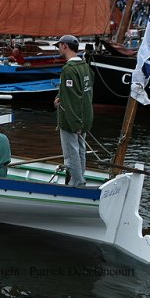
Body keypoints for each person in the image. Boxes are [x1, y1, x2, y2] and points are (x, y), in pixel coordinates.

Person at [54, 34, 93, 187]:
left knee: (71, 154)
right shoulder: (85, 66)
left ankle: (77, 183)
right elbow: (84, 92)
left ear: (64, 45)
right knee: (81, 150)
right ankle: (80, 178)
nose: (58, 49)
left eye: (59, 46)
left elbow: (73, 98)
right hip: (85, 116)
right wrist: (60, 96)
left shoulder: (69, 69)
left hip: (72, 119)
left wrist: (74, 123)